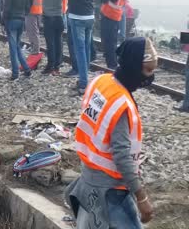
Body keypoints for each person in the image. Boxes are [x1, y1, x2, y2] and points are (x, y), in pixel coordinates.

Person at [65, 37, 157, 228]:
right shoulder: (121, 105)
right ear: (133, 66)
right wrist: (141, 197)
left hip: (89, 178)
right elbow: (122, 155)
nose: (150, 76)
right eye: (148, 70)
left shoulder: (102, 82)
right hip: (110, 191)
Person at [59, 0, 100, 95]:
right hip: (90, 15)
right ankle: (85, 79)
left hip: (77, 17)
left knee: (80, 50)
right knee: (86, 49)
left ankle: (83, 84)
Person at [39, 0, 67, 75]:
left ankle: (50, 66)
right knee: (58, 42)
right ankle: (57, 67)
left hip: (48, 17)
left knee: (50, 43)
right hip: (59, 16)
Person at [3, 0, 31, 80]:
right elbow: (28, 7)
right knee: (17, 46)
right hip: (21, 20)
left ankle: (15, 73)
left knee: (13, 48)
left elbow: (7, 8)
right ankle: (26, 69)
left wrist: (4, 22)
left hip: (12, 20)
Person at [99, 0, 125, 69]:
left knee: (109, 44)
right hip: (115, 19)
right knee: (112, 43)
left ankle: (112, 65)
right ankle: (113, 64)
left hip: (109, 19)